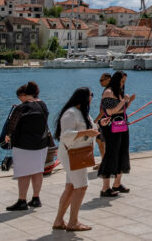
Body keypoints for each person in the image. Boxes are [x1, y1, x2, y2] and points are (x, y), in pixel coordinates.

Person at [52, 87, 100, 232]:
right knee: (81, 186)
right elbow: (65, 135)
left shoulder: (83, 113)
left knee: (71, 187)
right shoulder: (71, 113)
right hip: (72, 154)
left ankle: (59, 220)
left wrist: (97, 127)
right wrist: (86, 132)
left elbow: (88, 129)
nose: (92, 97)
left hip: (79, 153)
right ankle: (73, 222)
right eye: (91, 95)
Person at [2, 81, 50, 211]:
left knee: (23, 173)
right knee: (37, 171)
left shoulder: (21, 108)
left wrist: (8, 135)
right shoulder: (42, 105)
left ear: (24, 94)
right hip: (41, 143)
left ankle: (22, 200)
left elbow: (12, 126)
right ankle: (36, 198)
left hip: (23, 145)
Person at [98, 71, 135, 197]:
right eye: (122, 81)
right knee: (111, 154)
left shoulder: (119, 93)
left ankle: (117, 183)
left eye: (124, 82)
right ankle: (105, 188)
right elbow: (110, 111)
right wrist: (123, 101)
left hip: (122, 126)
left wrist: (129, 102)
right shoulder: (108, 92)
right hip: (111, 128)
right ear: (116, 80)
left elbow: (122, 110)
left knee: (122, 153)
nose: (123, 84)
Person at [94, 73, 111, 167]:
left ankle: (106, 163)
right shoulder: (110, 90)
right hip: (106, 119)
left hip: (104, 120)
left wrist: (95, 121)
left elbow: (103, 110)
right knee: (100, 141)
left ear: (108, 79)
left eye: (102, 80)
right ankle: (104, 162)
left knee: (102, 141)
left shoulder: (108, 91)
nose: (100, 82)